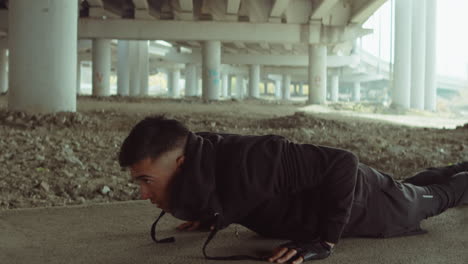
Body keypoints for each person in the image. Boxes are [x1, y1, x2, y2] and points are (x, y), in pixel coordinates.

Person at [118, 116, 468, 263]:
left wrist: (325, 241)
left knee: (440, 197)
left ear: (180, 165)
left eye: (147, 181)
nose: (143, 194)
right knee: (414, 186)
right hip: (375, 189)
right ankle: (458, 165)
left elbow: (343, 162)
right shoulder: (200, 159)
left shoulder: (253, 160)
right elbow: (232, 192)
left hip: (372, 205)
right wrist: (213, 215)